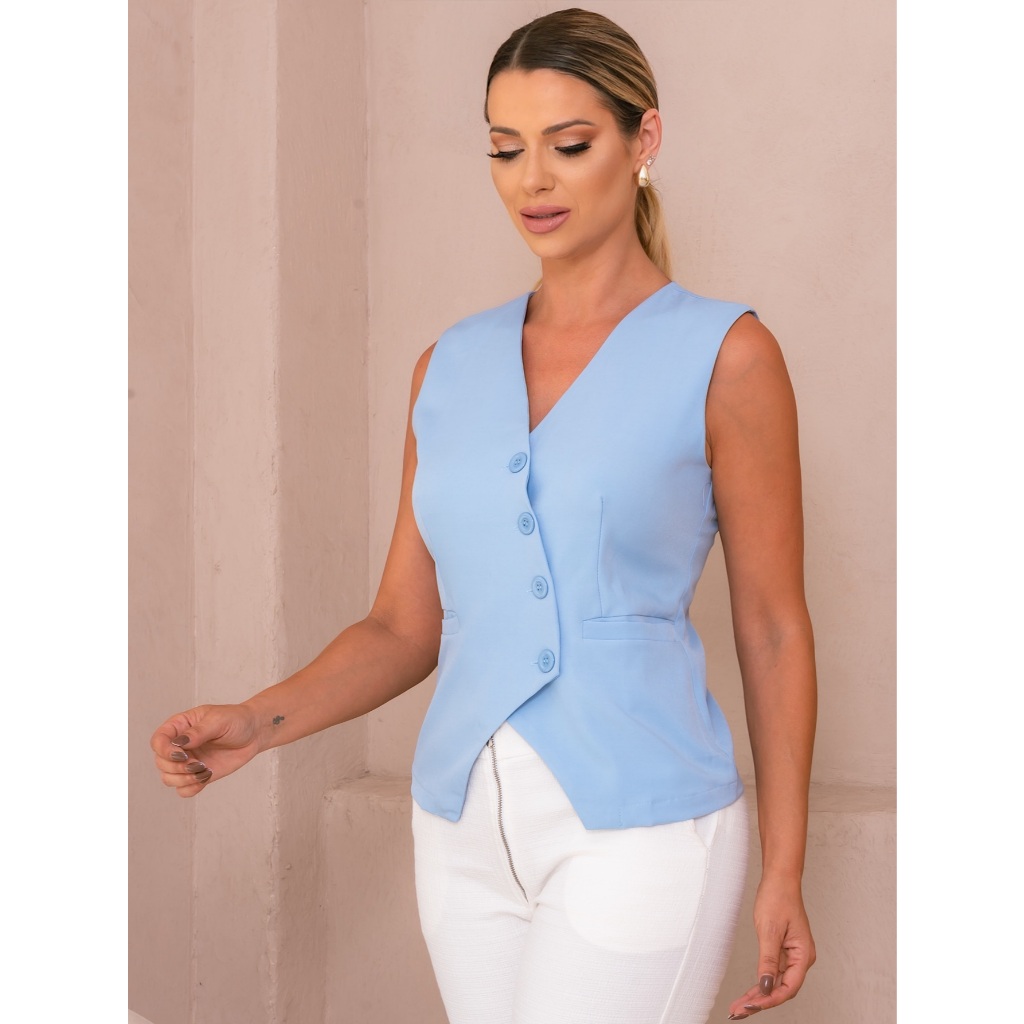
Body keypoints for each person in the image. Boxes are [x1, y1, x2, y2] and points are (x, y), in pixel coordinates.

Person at [151, 8, 817, 1023]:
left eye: (569, 145)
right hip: (461, 836)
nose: (532, 180)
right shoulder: (448, 367)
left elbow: (771, 626)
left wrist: (784, 869)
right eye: (506, 150)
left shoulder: (727, 356)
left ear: (643, 139)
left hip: (642, 830)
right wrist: (259, 721)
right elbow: (402, 625)